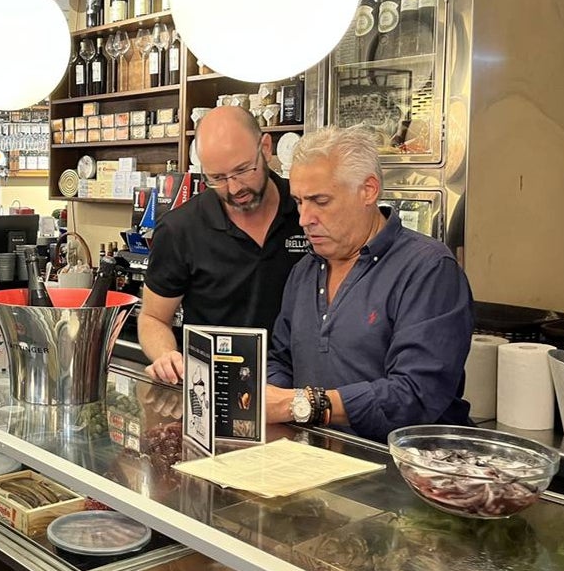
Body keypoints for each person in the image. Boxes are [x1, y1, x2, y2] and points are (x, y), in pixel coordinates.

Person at [265, 128, 473, 442]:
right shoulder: (305, 270)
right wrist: (277, 399)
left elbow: (415, 394)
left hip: (404, 472)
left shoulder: (427, 269)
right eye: (299, 202)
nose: (304, 218)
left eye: (320, 201)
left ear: (368, 191)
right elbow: (280, 358)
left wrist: (300, 405)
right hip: (316, 461)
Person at [140, 107, 308, 384]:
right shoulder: (180, 229)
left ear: (266, 148)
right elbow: (153, 318)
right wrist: (166, 355)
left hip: (300, 391)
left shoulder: (306, 209)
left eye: (243, 170)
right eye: (216, 178)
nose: (233, 189)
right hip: (213, 388)